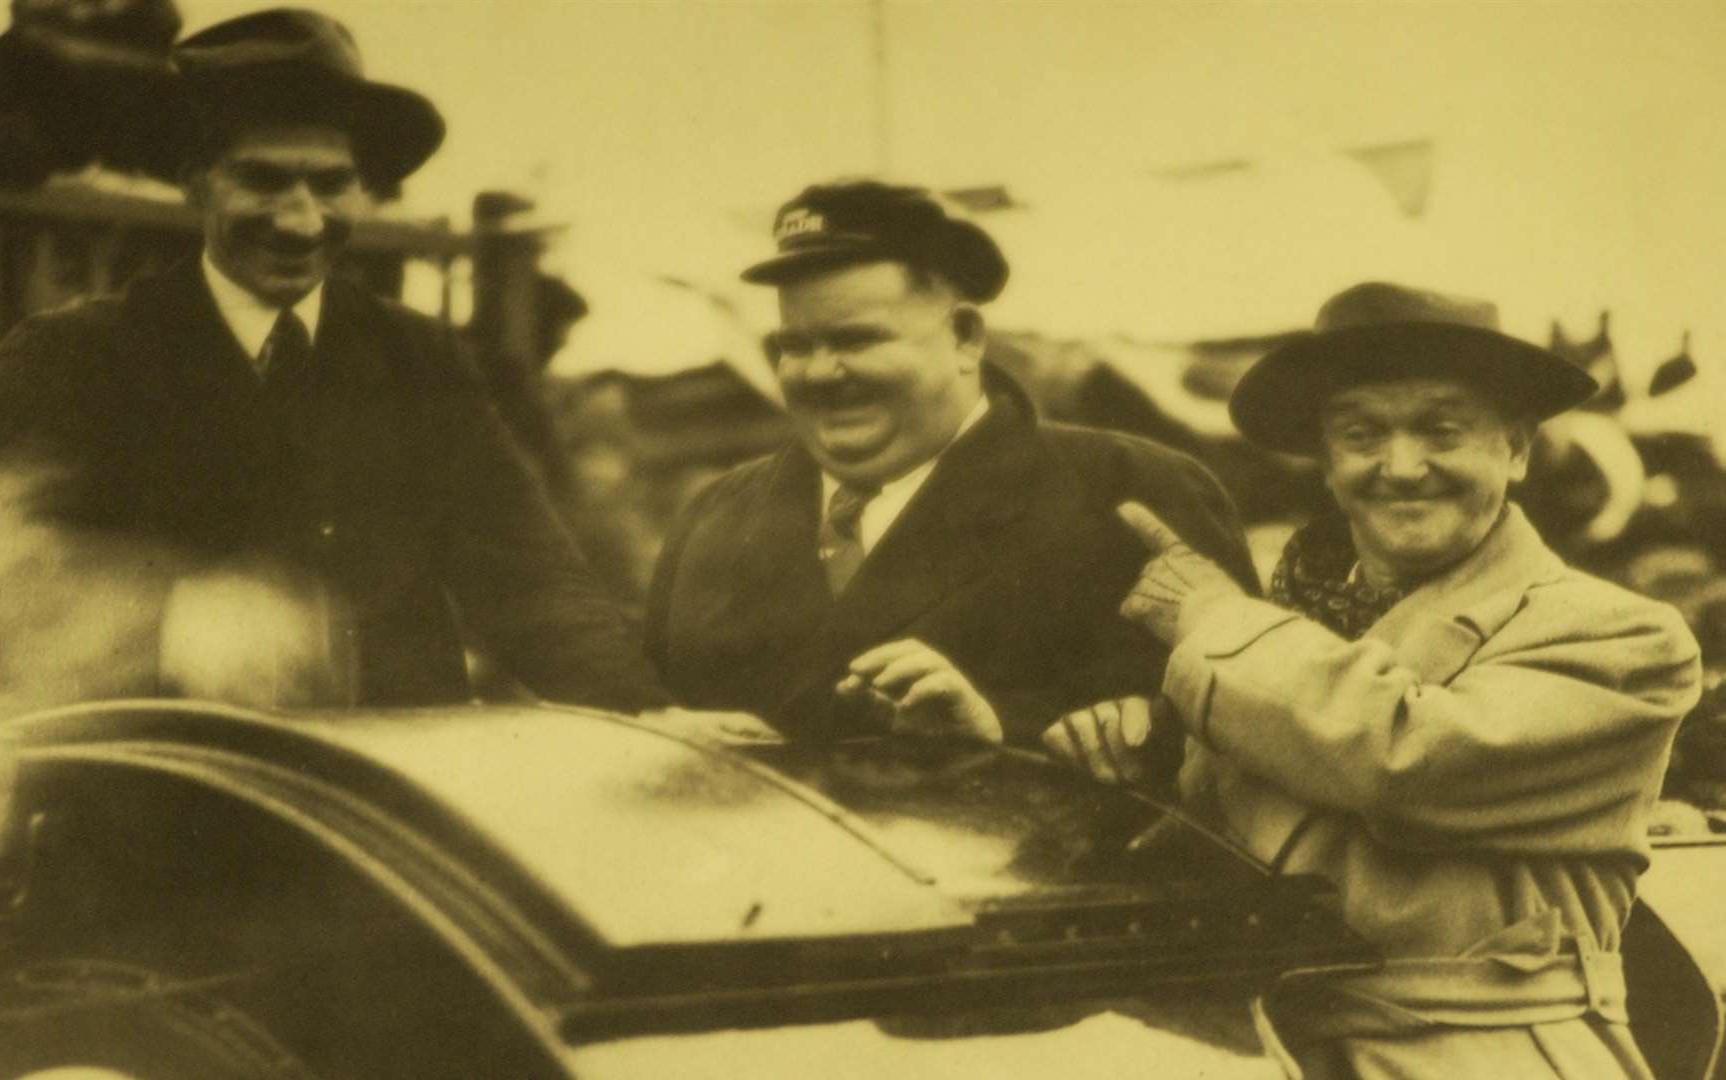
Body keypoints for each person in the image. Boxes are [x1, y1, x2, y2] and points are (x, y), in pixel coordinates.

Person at [0, 9, 667, 714]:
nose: (300, 221)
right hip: (151, 819)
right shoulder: (73, 357)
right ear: (196, 184)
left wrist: (650, 714)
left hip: (385, 818)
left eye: (330, 185)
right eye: (263, 180)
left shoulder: (417, 358)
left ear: (364, 190)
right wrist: (167, 623)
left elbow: (531, 578)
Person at [1059, 281, 1702, 1077]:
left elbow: (1410, 758)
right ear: (1325, 462)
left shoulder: (1625, 635)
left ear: (1517, 448)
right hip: (1251, 1051)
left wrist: (1212, 622)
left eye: (1442, 429)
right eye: (1362, 434)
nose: (1402, 467)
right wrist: (1125, 759)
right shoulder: (1278, 634)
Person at [646, 180, 1255, 744]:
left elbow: (1243, 732)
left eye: (858, 340)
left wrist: (1004, 729)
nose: (820, 374)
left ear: (965, 338)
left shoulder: (1125, 489)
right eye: (793, 346)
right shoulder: (715, 515)